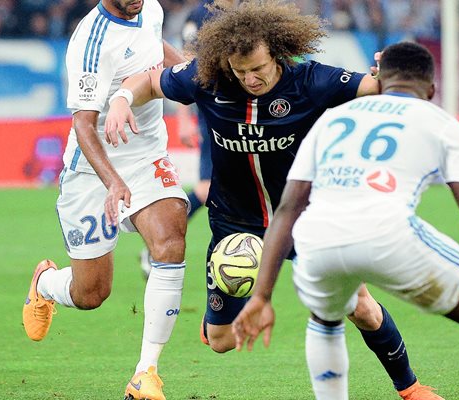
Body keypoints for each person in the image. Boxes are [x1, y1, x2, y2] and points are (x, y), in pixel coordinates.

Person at [105, 1, 441, 399]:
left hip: (303, 218)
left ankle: (410, 387)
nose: (249, 79)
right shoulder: (209, 77)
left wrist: (392, 71)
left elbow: (377, 86)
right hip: (235, 226)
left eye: (258, 69)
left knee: (361, 306)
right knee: (221, 341)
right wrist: (122, 100)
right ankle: (216, 319)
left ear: (278, 54)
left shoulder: (311, 81)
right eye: (240, 71)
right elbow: (149, 81)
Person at [232, 42, 459, 400]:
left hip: (316, 240)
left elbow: (288, 209)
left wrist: (261, 296)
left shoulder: (333, 120)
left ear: (380, 81)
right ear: (431, 90)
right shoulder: (441, 123)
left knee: (325, 321)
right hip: (387, 234)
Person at [21, 1, 190, 399]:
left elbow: (152, 42)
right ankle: (45, 283)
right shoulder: (91, 42)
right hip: (92, 168)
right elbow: (82, 124)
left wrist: (187, 70)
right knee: (91, 294)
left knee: (171, 239)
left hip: (146, 152)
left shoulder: (149, 7)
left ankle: (145, 374)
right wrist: (113, 183)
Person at [139, 0, 217, 279]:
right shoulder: (200, 15)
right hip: (213, 108)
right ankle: (160, 239)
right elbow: (185, 66)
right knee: (207, 189)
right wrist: (184, 118)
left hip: (245, 108)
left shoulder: (249, 9)